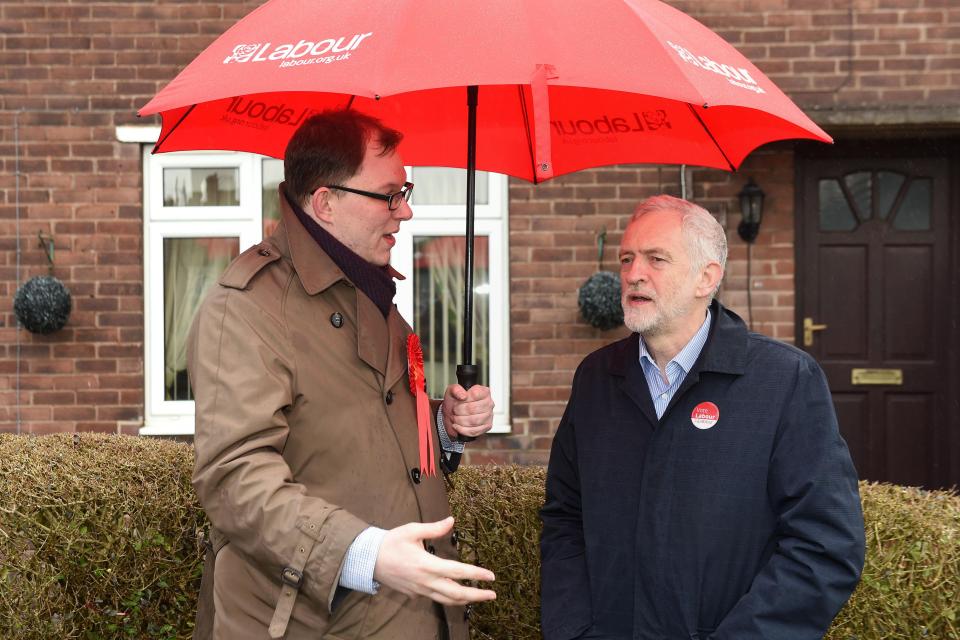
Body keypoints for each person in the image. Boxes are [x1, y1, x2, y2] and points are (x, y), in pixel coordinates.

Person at [187, 109, 496, 640]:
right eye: (389, 195)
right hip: (313, 623)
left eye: (406, 192)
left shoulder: (374, 296)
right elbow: (234, 477)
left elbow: (375, 446)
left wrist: (443, 428)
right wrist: (364, 554)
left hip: (409, 618)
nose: (404, 213)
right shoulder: (246, 308)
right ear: (326, 203)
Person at [540, 195, 865, 640]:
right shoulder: (596, 379)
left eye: (656, 259)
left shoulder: (784, 380)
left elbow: (825, 545)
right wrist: (573, 630)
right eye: (627, 258)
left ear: (706, 278)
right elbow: (565, 518)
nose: (634, 273)